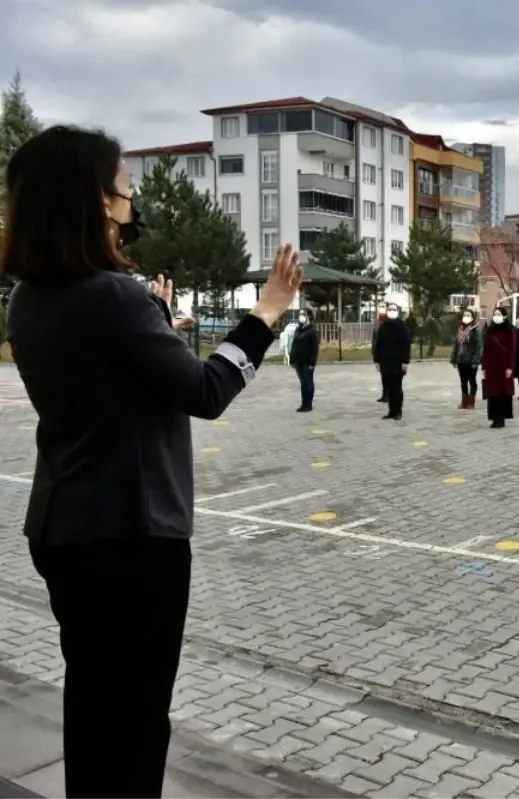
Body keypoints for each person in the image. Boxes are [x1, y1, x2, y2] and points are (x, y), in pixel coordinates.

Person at [0, 125, 302, 796]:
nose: (134, 201)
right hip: (131, 536)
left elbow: (114, 376)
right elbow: (205, 390)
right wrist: (268, 311)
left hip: (65, 525)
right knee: (135, 722)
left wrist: (153, 318)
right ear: (95, 201)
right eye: (125, 190)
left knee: (95, 709)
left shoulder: (30, 298)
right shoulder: (112, 297)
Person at [374, 303, 411, 421]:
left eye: (394, 309)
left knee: (397, 388)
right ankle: (391, 411)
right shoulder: (383, 326)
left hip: (398, 362)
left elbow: (406, 345)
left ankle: (398, 411)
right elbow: (378, 345)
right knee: (389, 388)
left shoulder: (402, 327)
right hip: (385, 361)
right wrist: (377, 360)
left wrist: (405, 361)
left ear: (398, 311)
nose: (391, 311)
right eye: (389, 309)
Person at [481, 307, 517, 428]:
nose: (496, 316)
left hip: (503, 367)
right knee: (492, 393)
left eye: (499, 314)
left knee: (502, 393)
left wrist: (509, 367)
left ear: (504, 316)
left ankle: (501, 418)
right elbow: (485, 350)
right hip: (492, 367)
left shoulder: (509, 331)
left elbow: (512, 350)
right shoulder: (490, 331)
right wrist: (484, 367)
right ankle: (494, 418)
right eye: (495, 313)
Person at [451, 308, 483, 409]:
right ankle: (464, 401)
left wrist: (475, 360)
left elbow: (478, 346)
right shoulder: (460, 329)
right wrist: (454, 358)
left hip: (471, 360)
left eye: (468, 315)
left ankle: (471, 401)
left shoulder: (475, 329)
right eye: (465, 315)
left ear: (472, 317)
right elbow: (456, 344)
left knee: (472, 381)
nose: (466, 317)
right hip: (461, 359)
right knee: (463, 381)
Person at [290, 308, 319, 412]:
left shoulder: (312, 331)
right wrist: (291, 359)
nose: (301, 316)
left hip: (307, 362)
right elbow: (294, 345)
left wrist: (312, 363)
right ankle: (303, 403)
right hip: (298, 361)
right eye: (300, 314)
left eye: (303, 314)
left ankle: (308, 404)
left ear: (309, 316)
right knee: (302, 383)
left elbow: (315, 348)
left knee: (308, 382)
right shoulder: (298, 329)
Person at [370, 305, 389, 403]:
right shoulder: (377, 329)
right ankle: (385, 395)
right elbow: (374, 343)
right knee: (384, 376)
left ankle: (388, 395)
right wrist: (374, 354)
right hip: (380, 356)